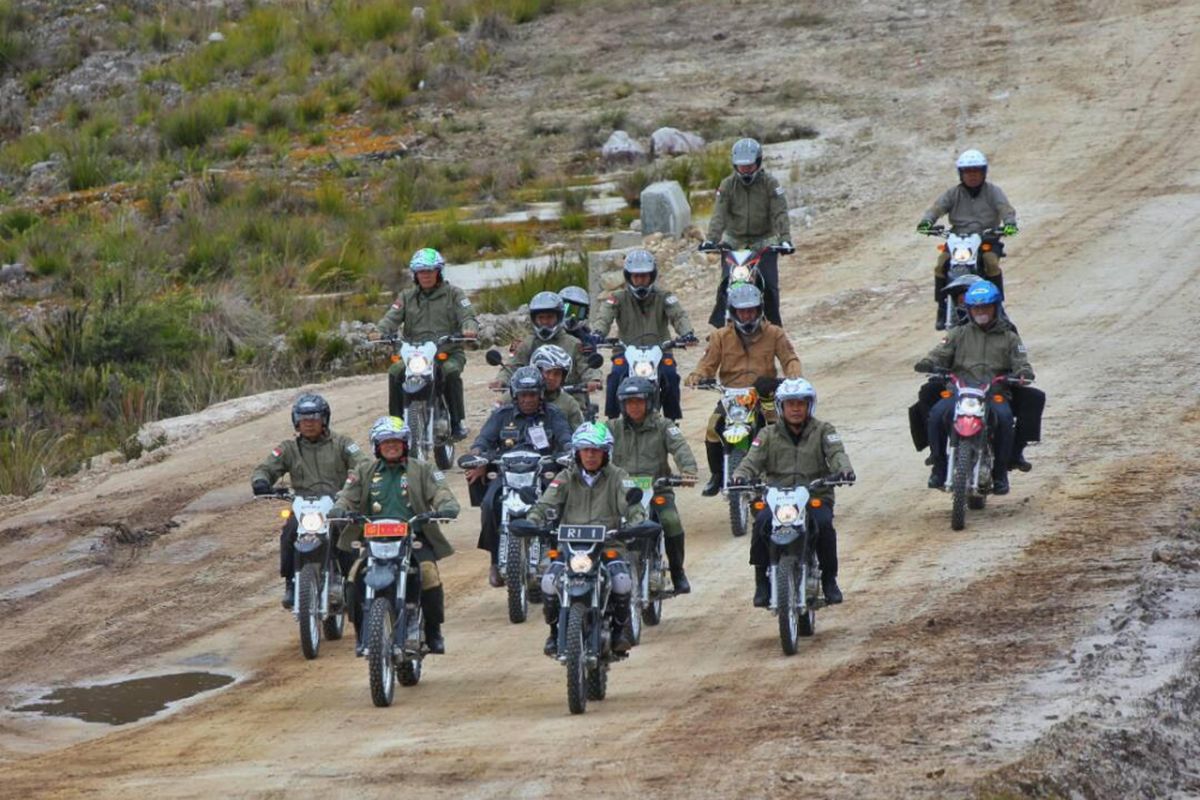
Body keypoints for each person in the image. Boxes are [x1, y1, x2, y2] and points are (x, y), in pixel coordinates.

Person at [329, 416, 460, 655]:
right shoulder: (364, 470)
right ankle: (362, 634)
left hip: (415, 538)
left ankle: (433, 632)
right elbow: (348, 495)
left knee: (429, 575)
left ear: (406, 443)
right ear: (376, 445)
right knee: (352, 580)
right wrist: (340, 508)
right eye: (385, 441)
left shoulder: (422, 468)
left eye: (397, 441)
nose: (391, 445)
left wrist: (447, 505)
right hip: (376, 540)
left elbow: (440, 491)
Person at [731, 379, 855, 607]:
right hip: (778, 496)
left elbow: (837, 453)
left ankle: (829, 580)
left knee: (824, 525)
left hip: (815, 494)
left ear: (810, 405)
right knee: (761, 523)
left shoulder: (824, 430)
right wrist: (740, 475)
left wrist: (844, 471)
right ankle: (761, 581)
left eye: (801, 403)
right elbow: (751, 460)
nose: (796, 409)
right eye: (790, 404)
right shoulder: (767, 434)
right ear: (781, 407)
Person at [527, 422, 646, 656]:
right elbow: (546, 503)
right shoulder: (565, 477)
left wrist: (636, 522)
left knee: (622, 581)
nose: (590, 455)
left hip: (609, 545)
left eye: (596, 450)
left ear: (606, 453)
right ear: (577, 452)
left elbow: (633, 506)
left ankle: (620, 632)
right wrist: (533, 520)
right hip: (570, 549)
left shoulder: (619, 476)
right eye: (585, 450)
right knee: (549, 583)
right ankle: (553, 633)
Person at [915, 280, 1035, 496]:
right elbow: (938, 352)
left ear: (995, 307)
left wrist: (1022, 374)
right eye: (976, 308)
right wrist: (929, 362)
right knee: (936, 416)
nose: (981, 312)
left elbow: (1021, 362)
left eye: (986, 307)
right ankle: (939, 467)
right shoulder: (958, 333)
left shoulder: (1009, 337)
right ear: (969, 310)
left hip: (994, 394)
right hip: (959, 392)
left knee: (1005, 419)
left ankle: (1000, 474)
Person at [685, 283, 803, 495]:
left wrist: (793, 376)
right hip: (732, 395)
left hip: (765, 393)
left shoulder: (774, 333)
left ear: (759, 310)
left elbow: (790, 358)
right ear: (733, 311)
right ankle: (717, 475)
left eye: (751, 310)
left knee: (778, 428)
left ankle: (786, 472)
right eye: (742, 311)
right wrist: (698, 375)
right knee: (713, 426)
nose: (747, 315)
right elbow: (707, 363)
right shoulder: (720, 336)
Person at [252, 393, 369, 608]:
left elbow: (362, 463)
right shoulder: (288, 448)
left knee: (347, 536)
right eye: (303, 418)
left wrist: (352, 483)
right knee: (289, 531)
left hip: (337, 504)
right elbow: (265, 468)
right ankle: (290, 583)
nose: (308, 423)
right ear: (296, 421)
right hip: (303, 506)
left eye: (314, 418)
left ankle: (351, 585)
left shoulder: (342, 443)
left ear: (324, 419)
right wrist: (261, 481)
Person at [468, 366, 573, 587]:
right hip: (507, 475)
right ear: (515, 395)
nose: (528, 400)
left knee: (558, 506)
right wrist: (477, 457)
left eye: (532, 394)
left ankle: (558, 557)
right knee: (488, 505)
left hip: (543, 474)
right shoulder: (501, 415)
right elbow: (482, 441)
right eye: (523, 395)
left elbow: (566, 438)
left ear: (541, 394)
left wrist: (567, 451)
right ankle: (496, 561)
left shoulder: (554, 414)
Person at [376, 248, 478, 439]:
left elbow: (468, 316)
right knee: (395, 372)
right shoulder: (407, 296)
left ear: (439, 272)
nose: (426, 275)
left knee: (450, 372)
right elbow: (391, 318)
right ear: (415, 274)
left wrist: (468, 328)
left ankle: (456, 422)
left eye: (430, 271)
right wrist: (379, 331)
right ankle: (396, 423)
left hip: (446, 351)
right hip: (414, 354)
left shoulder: (454, 294)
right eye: (421, 271)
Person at [609, 376, 698, 594]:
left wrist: (688, 471)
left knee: (671, 521)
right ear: (622, 404)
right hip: (622, 493)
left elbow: (680, 447)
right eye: (629, 402)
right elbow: (593, 445)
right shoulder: (612, 428)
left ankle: (677, 571)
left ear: (649, 402)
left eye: (639, 401)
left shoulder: (663, 425)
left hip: (658, 489)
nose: (634, 407)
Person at [592, 249, 697, 422]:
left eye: (644, 276)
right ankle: (611, 420)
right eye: (636, 276)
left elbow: (679, 316)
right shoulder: (617, 298)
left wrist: (687, 333)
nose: (640, 281)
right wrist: (598, 333)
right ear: (629, 277)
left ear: (652, 276)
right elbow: (604, 317)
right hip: (625, 351)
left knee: (670, 375)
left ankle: (672, 421)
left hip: (661, 351)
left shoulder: (665, 297)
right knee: (615, 376)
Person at [917, 149, 1018, 329]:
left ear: (984, 172)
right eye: (967, 172)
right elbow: (937, 207)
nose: (972, 176)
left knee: (991, 263)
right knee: (941, 264)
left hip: (987, 238)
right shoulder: (953, 193)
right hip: (958, 239)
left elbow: (1005, 208)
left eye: (976, 171)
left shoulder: (993, 192)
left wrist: (1009, 223)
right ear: (961, 174)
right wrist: (927, 221)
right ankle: (942, 308)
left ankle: (997, 305)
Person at [702, 138, 794, 327]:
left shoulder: (770, 183)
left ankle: (775, 330)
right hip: (734, 244)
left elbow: (780, 212)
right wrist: (711, 240)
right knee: (726, 284)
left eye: (749, 166)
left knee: (770, 286)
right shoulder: (727, 185)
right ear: (735, 165)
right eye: (741, 166)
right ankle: (719, 330)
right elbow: (719, 214)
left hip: (764, 244)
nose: (745, 170)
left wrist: (785, 240)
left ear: (758, 163)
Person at [491, 291, 603, 391]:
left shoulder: (574, 343)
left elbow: (586, 367)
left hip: (569, 396)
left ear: (559, 318)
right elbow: (513, 366)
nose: (545, 322)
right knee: (503, 408)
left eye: (549, 317)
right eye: (541, 318)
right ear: (534, 319)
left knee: (574, 411)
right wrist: (501, 380)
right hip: (534, 398)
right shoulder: (527, 344)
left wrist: (594, 379)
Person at [531, 344, 584, 429]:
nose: (551, 378)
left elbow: (579, 436)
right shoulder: (515, 397)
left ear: (563, 377)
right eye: (548, 372)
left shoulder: (569, 404)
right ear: (537, 370)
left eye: (557, 374)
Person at [559, 285, 603, 356]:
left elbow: (591, 364)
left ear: (586, 313)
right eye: (568, 310)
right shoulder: (549, 333)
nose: (572, 317)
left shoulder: (586, 339)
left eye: (579, 313)